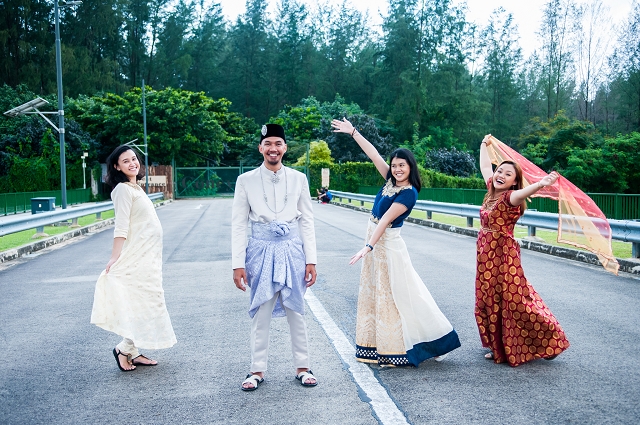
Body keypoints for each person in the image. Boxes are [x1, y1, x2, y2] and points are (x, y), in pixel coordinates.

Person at [331, 118, 461, 367]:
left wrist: (367, 247)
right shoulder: (390, 181)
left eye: (402, 165)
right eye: (394, 166)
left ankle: (434, 342)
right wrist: (354, 132)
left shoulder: (408, 193)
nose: (397, 169)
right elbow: (373, 154)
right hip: (375, 246)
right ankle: (380, 346)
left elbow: (385, 221)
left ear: (411, 167)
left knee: (402, 296)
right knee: (380, 297)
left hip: (388, 248)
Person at [232, 123, 318, 391]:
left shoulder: (298, 178)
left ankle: (303, 367)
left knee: (296, 310)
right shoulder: (245, 180)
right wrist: (238, 264)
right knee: (262, 311)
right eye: (268, 144)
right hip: (260, 250)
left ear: (285, 148)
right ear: (260, 148)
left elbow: (307, 221)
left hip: (292, 249)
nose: (273, 149)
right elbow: (238, 224)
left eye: (278, 144)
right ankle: (256, 370)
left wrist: (311, 259)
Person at [476, 134, 570, 366]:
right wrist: (484, 144)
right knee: (487, 299)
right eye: (500, 171)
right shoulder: (491, 189)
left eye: (509, 175)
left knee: (512, 300)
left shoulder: (511, 197)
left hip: (503, 256)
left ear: (514, 182)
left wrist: (541, 183)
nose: (501, 175)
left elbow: (527, 192)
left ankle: (550, 338)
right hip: (485, 255)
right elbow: (485, 165)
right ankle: (496, 344)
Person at [91, 145, 177, 372]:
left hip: (149, 258)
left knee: (145, 302)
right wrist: (114, 258)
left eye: (134, 159)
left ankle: (133, 350)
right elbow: (121, 227)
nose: (132, 163)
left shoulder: (135, 187)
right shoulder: (122, 190)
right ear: (117, 166)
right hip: (136, 257)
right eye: (126, 161)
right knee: (145, 302)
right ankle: (124, 349)